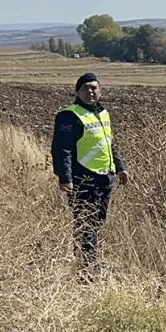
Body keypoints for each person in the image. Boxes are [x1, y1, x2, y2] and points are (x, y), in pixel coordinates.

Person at [51, 72, 128, 278]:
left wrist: (120, 166)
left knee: (97, 222)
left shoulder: (102, 113)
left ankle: (87, 263)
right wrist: (65, 178)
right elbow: (62, 149)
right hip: (83, 178)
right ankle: (86, 269)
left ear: (100, 91)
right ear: (77, 92)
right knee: (86, 222)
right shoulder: (70, 116)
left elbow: (108, 143)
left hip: (104, 178)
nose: (90, 92)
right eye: (85, 88)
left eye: (94, 88)